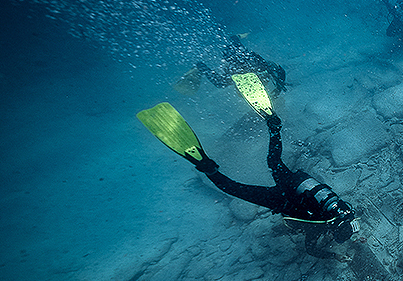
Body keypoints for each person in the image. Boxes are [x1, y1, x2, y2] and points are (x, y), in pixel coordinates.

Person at [138, 73, 357, 258]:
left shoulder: (342, 209)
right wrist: (334, 256)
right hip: (282, 199)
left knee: (274, 161)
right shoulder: (319, 225)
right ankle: (204, 164)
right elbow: (310, 250)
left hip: (295, 182)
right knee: (232, 188)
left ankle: (274, 127)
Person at [173, 36, 287, 97]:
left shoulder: (263, 67)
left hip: (246, 61)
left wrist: (279, 87)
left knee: (241, 51)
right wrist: (278, 87)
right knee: (221, 81)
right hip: (234, 60)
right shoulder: (232, 76)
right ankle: (200, 66)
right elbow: (280, 70)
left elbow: (280, 69)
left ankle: (235, 39)